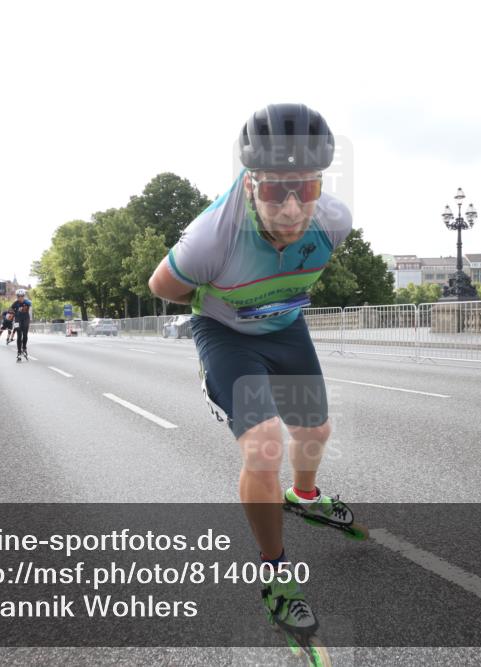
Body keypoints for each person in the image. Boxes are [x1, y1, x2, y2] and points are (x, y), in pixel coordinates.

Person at [148, 103, 353, 639]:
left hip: (285, 325)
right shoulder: (210, 239)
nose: (290, 208)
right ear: (249, 184)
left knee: (314, 429)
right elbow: (161, 287)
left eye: (304, 190)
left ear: (320, 184)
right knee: (264, 446)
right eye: (273, 191)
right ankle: (276, 573)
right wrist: (224, 297)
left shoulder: (335, 220)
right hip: (225, 334)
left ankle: (304, 496)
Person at [9, 289, 32, 361]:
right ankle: (19, 352)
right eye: (18, 296)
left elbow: (30, 306)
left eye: (22, 296)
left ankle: (24, 348)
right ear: (17, 296)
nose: (20, 298)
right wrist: (10, 318)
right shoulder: (15, 303)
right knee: (19, 336)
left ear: (24, 296)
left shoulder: (27, 302)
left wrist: (30, 319)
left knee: (25, 335)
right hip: (17, 321)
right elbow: (10, 311)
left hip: (25, 320)